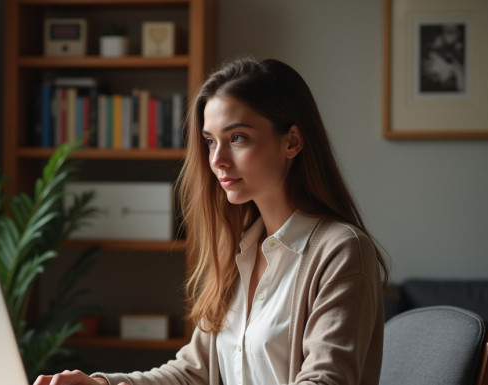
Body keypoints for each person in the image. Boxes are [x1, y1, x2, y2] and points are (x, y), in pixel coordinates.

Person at [33, 55, 389, 385]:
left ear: (292, 141)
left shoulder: (341, 250)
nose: (217, 159)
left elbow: (325, 380)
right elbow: (193, 372)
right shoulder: (237, 249)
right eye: (209, 141)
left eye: (237, 138)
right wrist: (101, 384)